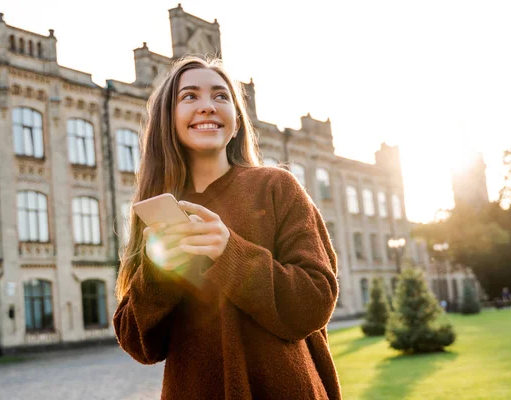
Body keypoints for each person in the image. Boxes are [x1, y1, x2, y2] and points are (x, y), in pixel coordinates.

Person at [113, 56, 341, 400]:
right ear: (167, 118)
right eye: (189, 97)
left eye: (221, 97)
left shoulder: (277, 187)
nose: (207, 106)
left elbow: (315, 302)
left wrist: (230, 253)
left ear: (236, 121)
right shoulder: (157, 210)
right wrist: (159, 275)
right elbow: (138, 344)